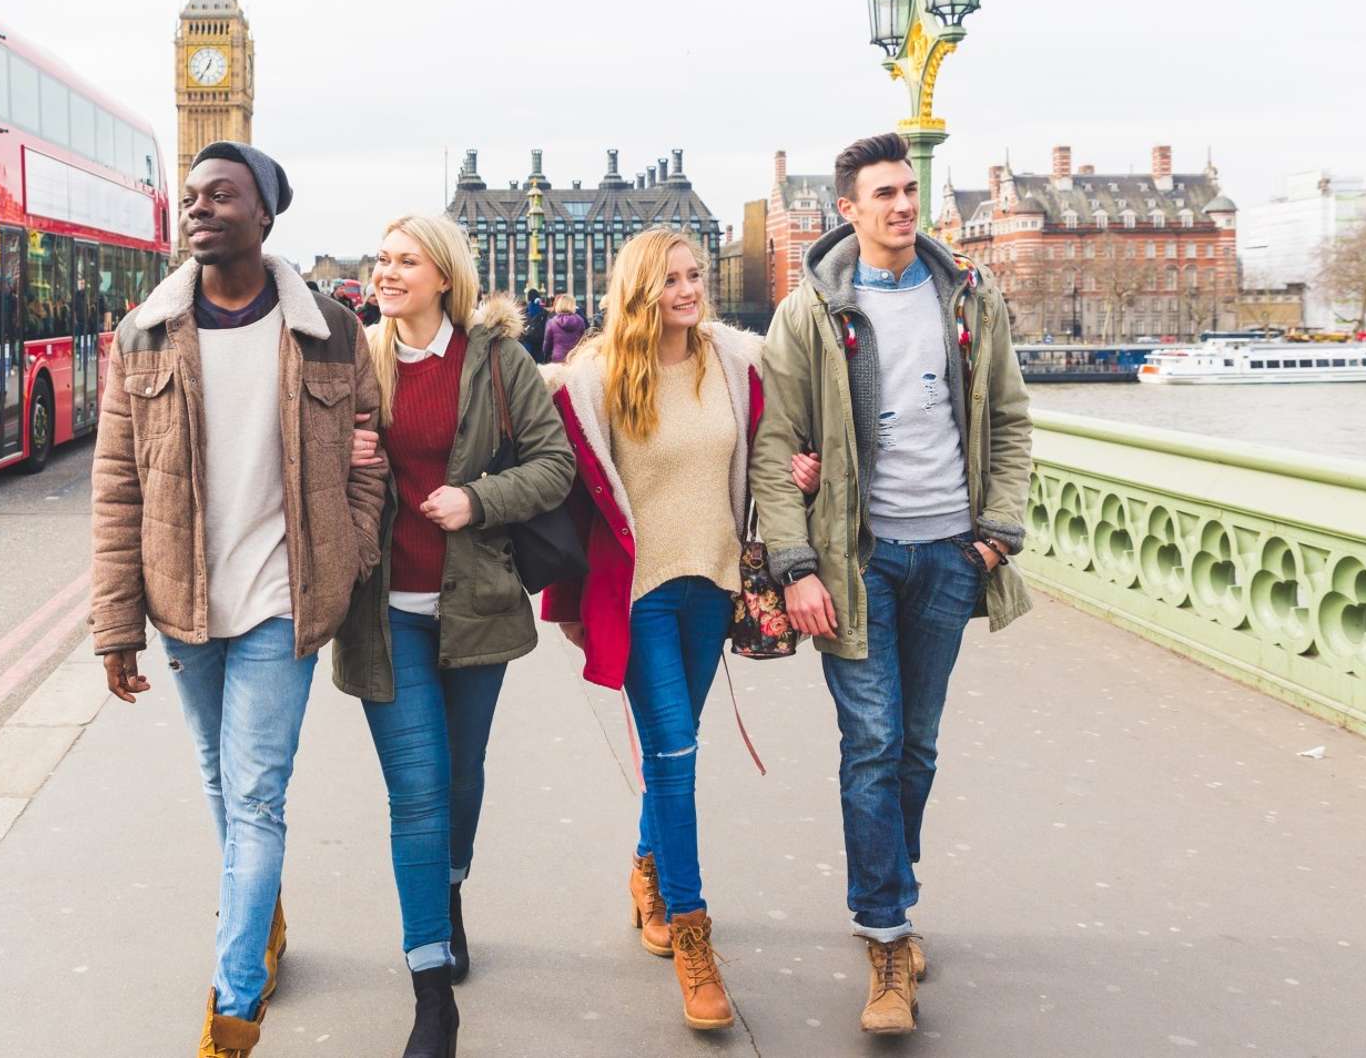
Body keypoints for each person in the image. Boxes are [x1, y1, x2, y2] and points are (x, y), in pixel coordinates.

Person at [90, 141, 389, 1057]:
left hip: (280, 604)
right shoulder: (144, 332)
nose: (199, 208)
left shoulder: (332, 330)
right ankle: (261, 921)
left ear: (265, 214)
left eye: (222, 195)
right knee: (222, 782)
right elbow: (116, 485)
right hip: (185, 605)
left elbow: (368, 458)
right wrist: (116, 625)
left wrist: (349, 552)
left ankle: (235, 1006)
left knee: (255, 798)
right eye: (191, 196)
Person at [750, 132, 1033, 1036]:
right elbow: (773, 446)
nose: (903, 206)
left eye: (911, 190)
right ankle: (885, 936)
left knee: (917, 745)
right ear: (849, 210)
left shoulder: (970, 298)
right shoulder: (810, 314)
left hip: (950, 551)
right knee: (871, 744)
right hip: (856, 562)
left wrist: (995, 534)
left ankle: (892, 891)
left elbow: (1011, 420)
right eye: (884, 194)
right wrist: (796, 567)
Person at [541, 227, 819, 1033]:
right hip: (641, 595)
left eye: (697, 275)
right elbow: (565, 490)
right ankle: (695, 939)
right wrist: (568, 605)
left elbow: (776, 449)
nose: (690, 290)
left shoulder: (736, 362)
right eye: (672, 280)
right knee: (673, 755)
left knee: (677, 748)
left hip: (715, 585)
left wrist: (798, 467)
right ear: (639, 290)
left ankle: (645, 867)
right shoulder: (591, 381)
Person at [332, 216, 574, 1057]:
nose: (386, 271)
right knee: (419, 794)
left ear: (444, 275)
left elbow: (555, 465)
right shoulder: (356, 359)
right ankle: (433, 996)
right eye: (382, 257)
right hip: (384, 610)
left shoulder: (498, 361)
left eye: (405, 260)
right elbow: (304, 464)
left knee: (462, 780)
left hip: (475, 607)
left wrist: (478, 500)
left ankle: (452, 889)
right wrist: (344, 452)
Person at [543, 292, 587, 363]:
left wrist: (546, 358)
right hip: (574, 359)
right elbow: (583, 341)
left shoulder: (552, 322)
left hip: (557, 360)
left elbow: (547, 346)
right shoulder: (580, 321)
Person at [522, 288, 551, 363]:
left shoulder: (524, 312)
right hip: (540, 344)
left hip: (528, 343)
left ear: (528, 298)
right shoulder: (544, 312)